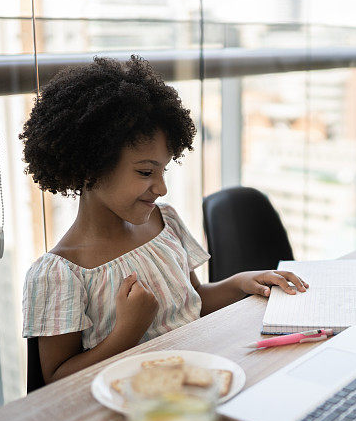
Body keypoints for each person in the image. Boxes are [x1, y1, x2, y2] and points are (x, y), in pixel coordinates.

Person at [20, 56, 307, 384]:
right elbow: (57, 381)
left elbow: (193, 301)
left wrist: (240, 283)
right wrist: (127, 332)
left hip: (200, 379)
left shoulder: (164, 222)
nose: (161, 187)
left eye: (163, 170)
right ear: (91, 166)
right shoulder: (60, 274)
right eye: (145, 172)